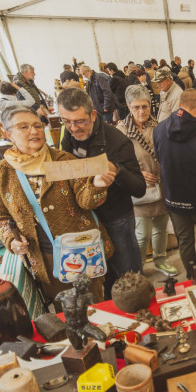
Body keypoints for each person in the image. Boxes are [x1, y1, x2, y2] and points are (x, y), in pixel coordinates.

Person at [0, 106, 114, 303]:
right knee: (65, 311)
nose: (34, 131)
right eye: (24, 127)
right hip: (44, 257)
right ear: (8, 133)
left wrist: (97, 185)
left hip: (81, 250)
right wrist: (11, 240)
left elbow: (86, 201)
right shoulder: (1, 172)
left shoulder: (62, 160)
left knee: (94, 304)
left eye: (38, 125)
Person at [58, 88, 145, 289]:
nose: (74, 128)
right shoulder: (68, 135)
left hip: (116, 219)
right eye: (66, 121)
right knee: (100, 277)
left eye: (80, 121)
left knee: (128, 278)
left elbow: (139, 188)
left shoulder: (118, 142)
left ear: (94, 114)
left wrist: (116, 170)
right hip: (86, 218)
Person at [154, 89, 196, 279]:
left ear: (179, 104)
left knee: (185, 240)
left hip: (174, 199)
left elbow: (160, 159)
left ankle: (193, 276)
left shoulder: (159, 130)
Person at [116, 85, 177, 277]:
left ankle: (160, 260)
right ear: (128, 106)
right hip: (138, 188)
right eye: (136, 107)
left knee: (160, 228)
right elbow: (115, 162)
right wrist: (139, 173)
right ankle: (139, 269)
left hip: (161, 186)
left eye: (145, 106)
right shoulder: (121, 130)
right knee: (142, 234)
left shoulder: (157, 125)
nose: (141, 111)